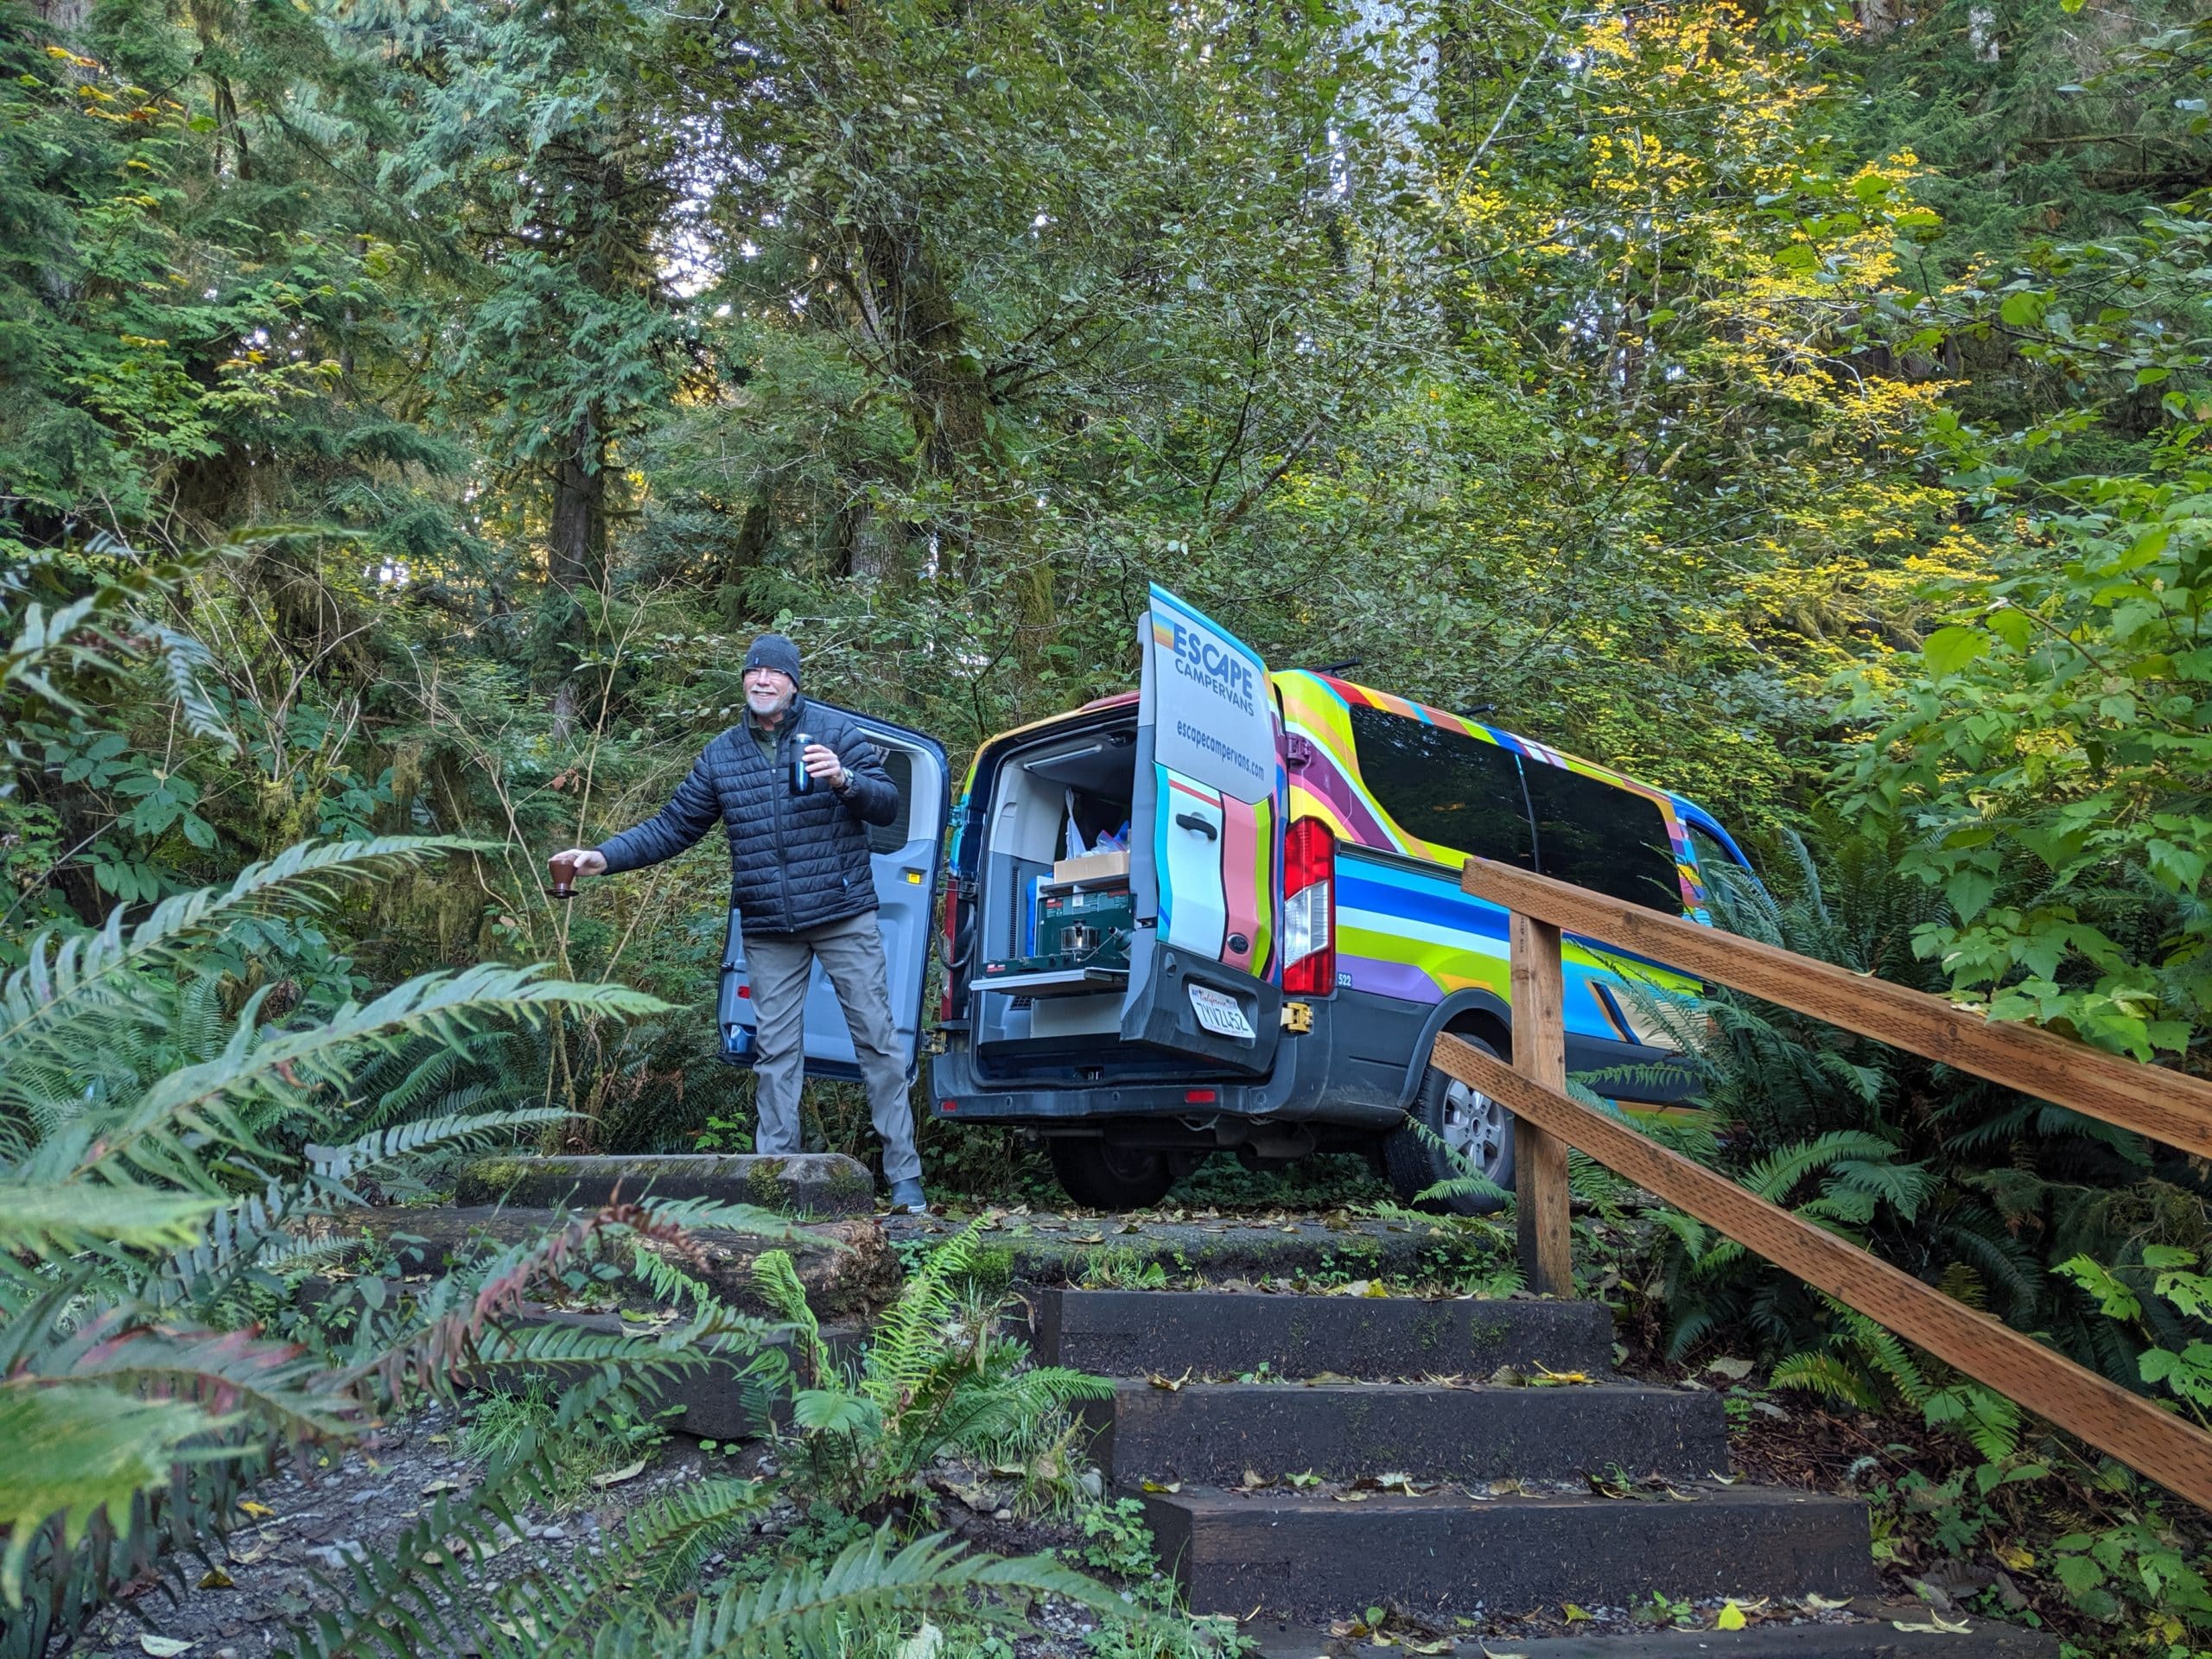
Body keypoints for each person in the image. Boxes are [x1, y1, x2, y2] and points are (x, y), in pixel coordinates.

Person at [552, 632, 928, 1212]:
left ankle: (904, 1179)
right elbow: (674, 825)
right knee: (775, 1053)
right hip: (769, 923)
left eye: (773, 673)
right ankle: (775, 1178)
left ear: (793, 682)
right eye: (753, 672)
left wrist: (843, 780)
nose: (762, 680)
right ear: (745, 682)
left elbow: (885, 805)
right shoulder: (723, 755)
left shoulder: (834, 736)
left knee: (877, 1042)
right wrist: (604, 858)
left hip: (841, 912)